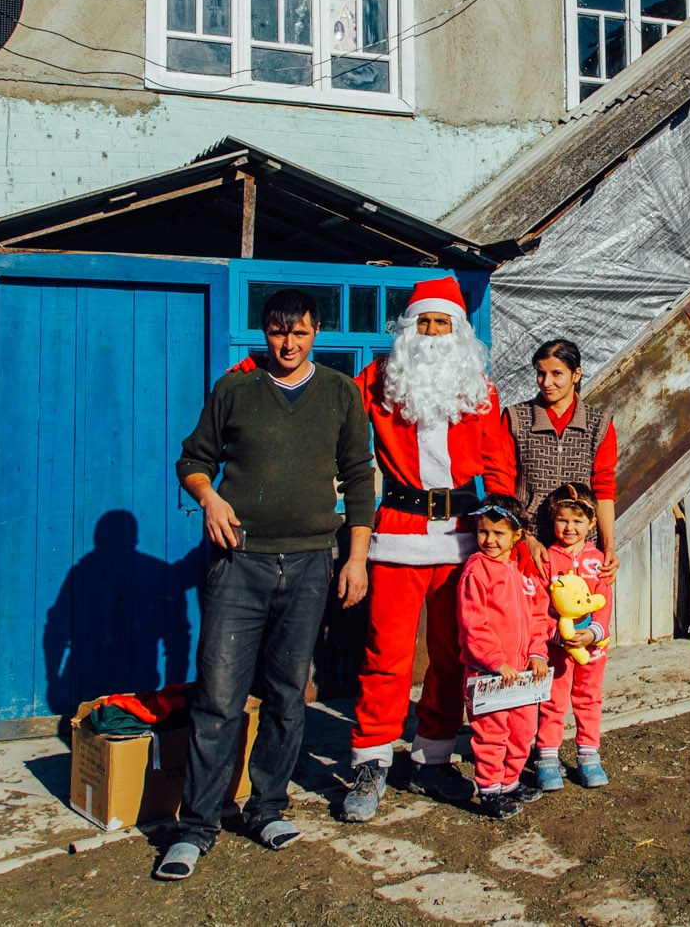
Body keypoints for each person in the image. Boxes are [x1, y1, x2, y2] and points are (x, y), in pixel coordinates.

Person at [154, 289, 373, 881]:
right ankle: (196, 826)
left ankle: (267, 806)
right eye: (278, 333)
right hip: (239, 564)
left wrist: (355, 559)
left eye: (299, 333)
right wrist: (210, 497)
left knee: (284, 694)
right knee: (218, 697)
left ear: (317, 332)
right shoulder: (235, 390)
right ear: (264, 332)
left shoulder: (339, 392)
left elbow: (358, 478)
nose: (288, 343)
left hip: (309, 566)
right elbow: (192, 460)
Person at [341, 276, 513, 822]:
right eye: (425, 321)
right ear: (408, 328)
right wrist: (257, 372)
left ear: (459, 331)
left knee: (450, 657)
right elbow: (322, 394)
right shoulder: (379, 379)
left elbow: (501, 466)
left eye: (442, 323)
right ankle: (371, 760)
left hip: (463, 539)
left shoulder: (479, 390)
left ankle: (433, 758)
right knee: (386, 655)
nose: (433, 333)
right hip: (397, 535)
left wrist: (505, 527)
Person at [457, 500, 553, 819]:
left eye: (499, 532)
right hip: (489, 674)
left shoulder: (524, 575)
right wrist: (495, 661)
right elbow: (474, 622)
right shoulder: (476, 570)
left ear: (517, 536)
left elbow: (538, 618)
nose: (490, 540)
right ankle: (489, 790)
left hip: (523, 675)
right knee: (491, 734)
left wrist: (537, 654)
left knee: (522, 731)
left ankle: (509, 782)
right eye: (483, 531)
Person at [497, 338, 620, 571]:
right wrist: (524, 539)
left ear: (576, 374)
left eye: (556, 374)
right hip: (529, 542)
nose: (546, 383)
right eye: (541, 374)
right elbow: (502, 484)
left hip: (580, 547)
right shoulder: (516, 419)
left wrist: (609, 546)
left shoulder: (598, 425)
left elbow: (603, 488)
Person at [532, 482, 613, 790]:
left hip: (593, 648)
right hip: (557, 648)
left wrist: (593, 633)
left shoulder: (598, 561)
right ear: (553, 520)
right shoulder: (547, 560)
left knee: (588, 698)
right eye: (563, 519)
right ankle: (548, 757)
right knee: (553, 700)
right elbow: (539, 604)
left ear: (591, 523)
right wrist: (554, 635)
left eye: (578, 521)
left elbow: (603, 601)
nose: (569, 527)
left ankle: (588, 754)